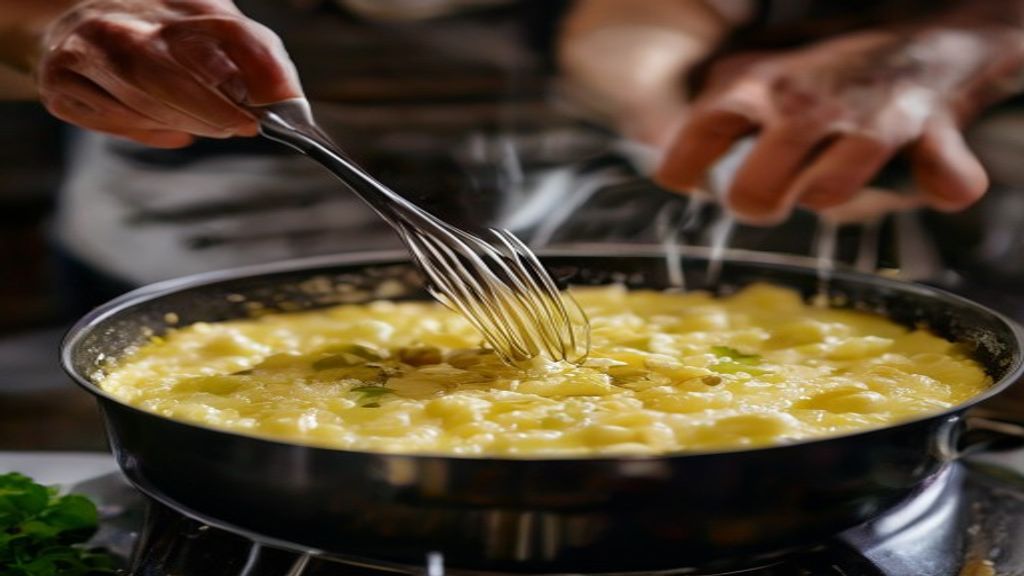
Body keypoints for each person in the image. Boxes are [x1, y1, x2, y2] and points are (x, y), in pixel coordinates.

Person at [1, 1, 1023, 295]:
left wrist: (652, 98)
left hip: (603, 227)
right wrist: (63, 33)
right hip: (190, 246)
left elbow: (630, 17)